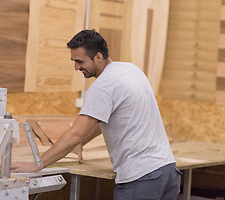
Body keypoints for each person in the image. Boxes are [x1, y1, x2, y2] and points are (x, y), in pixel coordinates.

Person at [12, 29, 181, 199]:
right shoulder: (130, 70)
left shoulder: (103, 86)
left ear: (98, 57)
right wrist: (81, 142)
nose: (76, 67)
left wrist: (37, 165)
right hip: (167, 171)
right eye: (74, 61)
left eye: (80, 61)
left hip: (142, 179)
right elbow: (108, 119)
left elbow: (75, 134)